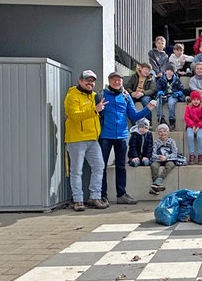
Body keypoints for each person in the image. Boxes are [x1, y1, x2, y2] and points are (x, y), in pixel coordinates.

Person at [98, 71, 155, 206]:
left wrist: (148, 109)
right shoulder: (101, 94)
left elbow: (134, 116)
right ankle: (102, 195)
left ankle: (121, 194)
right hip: (105, 135)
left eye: (119, 80)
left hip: (122, 136)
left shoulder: (125, 96)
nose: (117, 82)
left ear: (122, 82)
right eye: (114, 80)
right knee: (102, 167)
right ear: (109, 80)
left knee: (121, 166)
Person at [64, 70, 109, 211]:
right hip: (76, 139)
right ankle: (78, 200)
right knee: (76, 171)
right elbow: (74, 116)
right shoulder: (72, 96)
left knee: (99, 166)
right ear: (80, 81)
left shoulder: (95, 96)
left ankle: (94, 197)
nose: (90, 83)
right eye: (87, 80)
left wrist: (124, 91)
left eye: (92, 80)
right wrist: (95, 110)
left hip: (92, 139)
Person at [150, 123, 179, 194]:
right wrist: (159, 157)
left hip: (169, 159)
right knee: (154, 166)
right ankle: (156, 186)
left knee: (170, 165)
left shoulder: (172, 141)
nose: (163, 133)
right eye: (160, 131)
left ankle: (158, 182)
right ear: (158, 133)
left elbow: (175, 153)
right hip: (158, 159)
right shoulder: (156, 142)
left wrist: (166, 157)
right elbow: (153, 154)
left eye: (165, 131)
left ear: (168, 132)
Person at [184, 90, 202, 165]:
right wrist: (192, 125)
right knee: (190, 136)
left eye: (197, 100)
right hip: (190, 126)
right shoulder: (188, 107)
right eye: (194, 100)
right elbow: (186, 118)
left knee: (199, 137)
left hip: (200, 126)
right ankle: (191, 155)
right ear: (191, 100)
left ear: (200, 100)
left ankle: (200, 155)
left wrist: (199, 126)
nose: (196, 101)